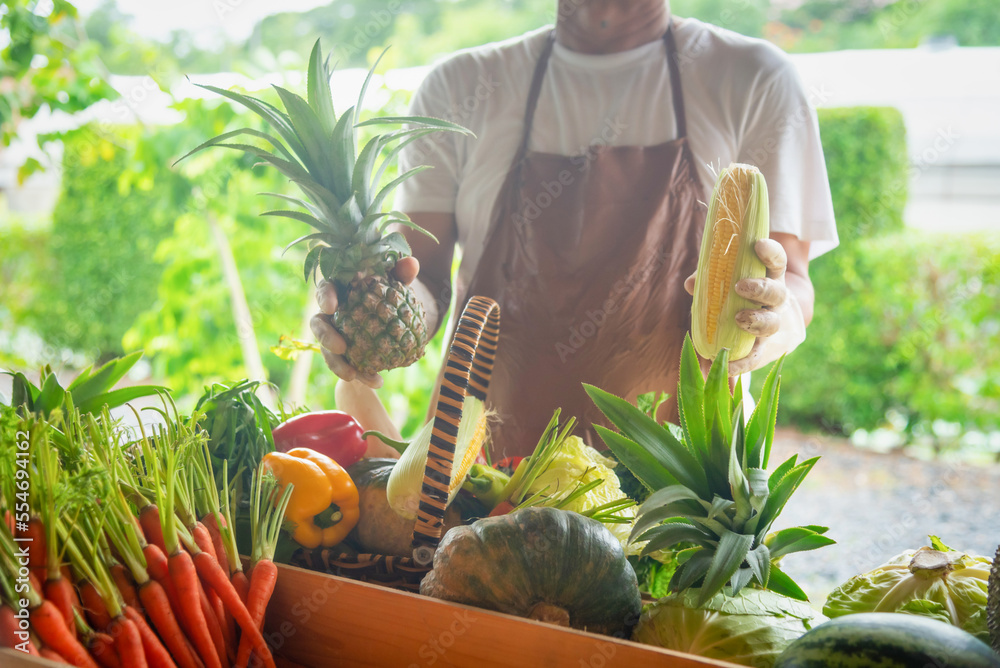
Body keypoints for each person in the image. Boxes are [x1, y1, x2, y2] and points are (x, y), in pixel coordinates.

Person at [312, 0, 839, 458]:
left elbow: (792, 281)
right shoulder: (460, 87)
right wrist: (376, 317)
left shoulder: (752, 78)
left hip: (684, 498)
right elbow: (423, 279)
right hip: (483, 482)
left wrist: (772, 321)